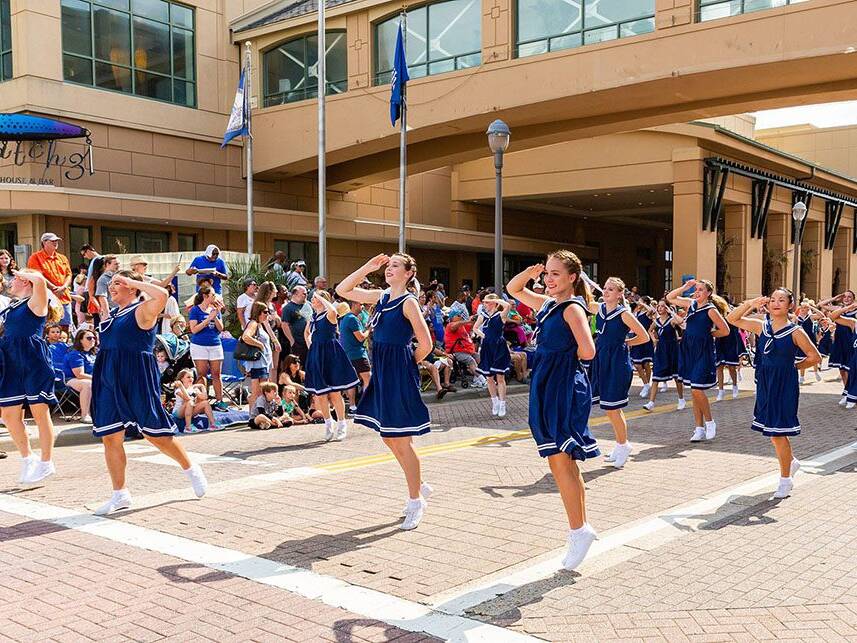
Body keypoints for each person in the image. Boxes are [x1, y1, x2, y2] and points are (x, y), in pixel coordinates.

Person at [506, 252, 599, 570]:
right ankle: (581, 529)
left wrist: (559, 357)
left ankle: (578, 531)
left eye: (555, 273)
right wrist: (530, 271)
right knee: (562, 463)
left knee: (561, 462)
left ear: (573, 277)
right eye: (547, 273)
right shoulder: (549, 305)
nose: (548, 279)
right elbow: (514, 289)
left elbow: (588, 350)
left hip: (562, 385)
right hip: (548, 383)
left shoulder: (572, 308)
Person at [90, 271, 207, 515]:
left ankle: (190, 467)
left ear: (132, 288)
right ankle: (120, 494)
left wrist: (132, 280)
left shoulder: (142, 310)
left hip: (136, 376)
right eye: (111, 284)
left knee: (155, 435)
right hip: (109, 376)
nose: (112, 288)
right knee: (110, 435)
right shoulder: (112, 314)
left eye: (117, 284)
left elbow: (163, 294)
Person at [337, 253, 433, 530]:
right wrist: (368, 267)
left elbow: (425, 343)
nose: (389, 270)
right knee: (389, 438)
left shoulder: (409, 302)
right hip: (382, 372)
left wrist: (404, 366)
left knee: (401, 439)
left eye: (395, 267)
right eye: (388, 266)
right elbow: (343, 290)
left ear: (408, 274)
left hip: (397, 373)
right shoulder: (381, 296)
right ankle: (419, 484)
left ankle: (416, 500)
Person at [727, 289, 821, 498]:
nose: (776, 303)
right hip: (765, 384)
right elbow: (732, 318)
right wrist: (751, 303)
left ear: (790, 305)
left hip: (784, 386)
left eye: (781, 300)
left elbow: (814, 357)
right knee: (772, 431)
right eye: (772, 300)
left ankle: (785, 480)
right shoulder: (762, 326)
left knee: (778, 433)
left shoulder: (795, 331)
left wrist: (794, 367)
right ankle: (792, 462)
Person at [0, 270, 60, 484]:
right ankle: (28, 458)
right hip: (10, 359)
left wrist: (24, 272)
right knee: (8, 414)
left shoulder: (37, 302)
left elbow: (42, 281)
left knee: (39, 412)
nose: (10, 281)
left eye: (15, 278)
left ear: (25, 281)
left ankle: (46, 461)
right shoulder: (11, 306)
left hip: (33, 360)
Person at [585, 277, 650, 468]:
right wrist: (586, 283)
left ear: (620, 294)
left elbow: (644, 337)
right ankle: (621, 444)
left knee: (613, 407)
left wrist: (625, 343)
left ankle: (623, 446)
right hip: (601, 360)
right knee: (609, 408)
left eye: (611, 289)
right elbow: (586, 302)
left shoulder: (624, 314)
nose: (605, 292)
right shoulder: (599, 308)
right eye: (605, 288)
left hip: (617, 363)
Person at [667, 279, 730, 442]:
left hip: (703, 351)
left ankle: (710, 422)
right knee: (694, 391)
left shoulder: (711, 310)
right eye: (697, 289)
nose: (697, 292)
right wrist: (685, 287)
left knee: (696, 389)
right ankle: (699, 428)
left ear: (708, 293)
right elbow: (671, 298)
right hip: (688, 349)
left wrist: (709, 336)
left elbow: (725, 330)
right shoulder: (691, 303)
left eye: (701, 289)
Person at [305, 291, 359, 441]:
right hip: (317, 353)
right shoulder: (313, 317)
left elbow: (334, 311)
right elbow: (307, 333)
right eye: (313, 298)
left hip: (330, 354)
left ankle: (342, 424)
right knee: (320, 393)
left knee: (335, 393)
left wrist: (322, 296)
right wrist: (311, 344)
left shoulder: (329, 315)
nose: (313, 300)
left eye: (315, 298)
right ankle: (328, 424)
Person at [188, 286, 228, 412]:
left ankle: (219, 400)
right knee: (202, 374)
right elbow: (194, 329)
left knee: (217, 374)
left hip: (215, 344)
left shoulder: (215, 310)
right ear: (205, 296)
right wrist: (208, 319)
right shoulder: (195, 310)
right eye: (213, 295)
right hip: (199, 345)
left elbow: (221, 328)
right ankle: (201, 401)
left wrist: (215, 315)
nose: (215, 297)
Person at [473, 294, 513, 418]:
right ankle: (494, 401)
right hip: (487, 348)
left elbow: (507, 305)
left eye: (487, 302)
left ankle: (502, 403)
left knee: (500, 377)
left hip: (499, 347)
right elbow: (475, 328)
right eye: (484, 302)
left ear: (495, 303)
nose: (485, 305)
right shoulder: (482, 316)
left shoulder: (500, 315)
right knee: (489, 378)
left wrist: (495, 299)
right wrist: (482, 335)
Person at [644, 299, 686, 411]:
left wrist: (672, 312)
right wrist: (654, 340)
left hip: (672, 350)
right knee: (656, 377)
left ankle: (681, 399)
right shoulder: (656, 321)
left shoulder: (672, 320)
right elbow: (650, 330)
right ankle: (651, 402)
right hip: (661, 350)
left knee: (677, 378)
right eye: (659, 306)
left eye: (663, 306)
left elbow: (681, 322)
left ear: (667, 308)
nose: (660, 308)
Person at [27, 232, 73, 330]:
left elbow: (69, 274)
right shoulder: (35, 257)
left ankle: (62, 345)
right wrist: (54, 288)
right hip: (46, 298)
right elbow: (37, 276)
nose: (55, 242)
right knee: (47, 327)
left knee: (65, 327)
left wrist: (63, 287)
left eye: (56, 241)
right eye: (52, 241)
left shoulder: (62, 257)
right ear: (44, 242)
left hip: (63, 297)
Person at [821, 290, 856, 404]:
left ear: (853, 299)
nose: (846, 299)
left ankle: (850, 392)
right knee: (842, 369)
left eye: (849, 297)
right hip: (840, 340)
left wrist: (851, 307)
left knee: (850, 368)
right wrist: (834, 298)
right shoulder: (838, 309)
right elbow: (821, 305)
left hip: (851, 342)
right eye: (844, 297)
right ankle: (846, 391)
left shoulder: (855, 312)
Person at [339, 300, 371, 412]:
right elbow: (361, 337)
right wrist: (368, 330)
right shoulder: (352, 318)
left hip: (349, 354)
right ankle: (366, 405)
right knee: (368, 378)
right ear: (354, 304)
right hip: (357, 353)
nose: (362, 306)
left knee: (352, 381)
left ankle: (353, 407)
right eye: (360, 304)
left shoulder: (345, 319)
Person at [241, 303, 274, 402]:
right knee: (258, 393)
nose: (267, 314)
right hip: (258, 364)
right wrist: (260, 345)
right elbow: (245, 337)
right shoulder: (253, 323)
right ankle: (253, 416)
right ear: (258, 312)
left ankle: (256, 414)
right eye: (265, 312)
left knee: (261, 392)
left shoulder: (260, 325)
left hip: (262, 363)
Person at [64, 328, 98, 423]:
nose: (93, 340)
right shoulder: (75, 354)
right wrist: (98, 378)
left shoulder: (94, 353)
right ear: (80, 340)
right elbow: (79, 374)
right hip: (71, 379)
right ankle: (85, 415)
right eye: (89, 338)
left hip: (92, 378)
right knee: (87, 384)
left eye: (94, 338)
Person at [830, 299, 857, 408]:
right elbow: (833, 317)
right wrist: (847, 308)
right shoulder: (854, 323)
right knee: (852, 374)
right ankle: (849, 395)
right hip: (855, 356)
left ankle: (850, 396)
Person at [715, 316, 746, 401]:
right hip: (720, 341)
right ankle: (721, 390)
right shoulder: (713, 315)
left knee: (731, 367)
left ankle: (735, 386)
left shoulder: (731, 315)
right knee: (719, 367)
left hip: (731, 341)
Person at [629, 298, 655, 398]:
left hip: (646, 341)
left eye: (640, 301)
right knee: (637, 365)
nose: (638, 303)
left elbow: (652, 311)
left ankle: (646, 384)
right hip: (637, 340)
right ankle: (646, 384)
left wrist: (644, 304)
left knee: (647, 364)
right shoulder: (636, 313)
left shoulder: (647, 313)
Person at [281, 285, 309, 363]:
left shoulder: (308, 305)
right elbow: (284, 325)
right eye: (304, 293)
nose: (306, 295)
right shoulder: (288, 308)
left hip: (309, 340)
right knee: (298, 364)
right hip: (298, 342)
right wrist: (292, 340)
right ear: (295, 294)